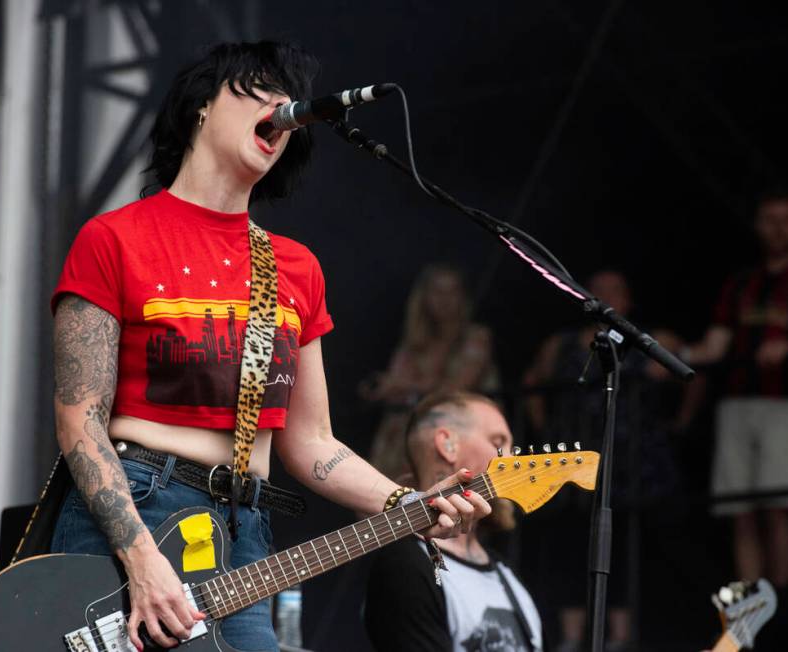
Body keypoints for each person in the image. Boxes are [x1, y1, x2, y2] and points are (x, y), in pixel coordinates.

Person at [48, 41, 491, 652]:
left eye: (289, 100)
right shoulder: (115, 239)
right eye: (258, 90)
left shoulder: (293, 267)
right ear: (201, 107)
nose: (284, 108)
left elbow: (311, 444)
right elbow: (79, 419)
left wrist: (407, 501)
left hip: (244, 536)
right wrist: (142, 560)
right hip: (137, 516)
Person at [522, 270, 692, 652]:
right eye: (596, 291)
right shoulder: (562, 344)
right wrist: (546, 430)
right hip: (573, 455)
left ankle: (618, 636)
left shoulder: (648, 340)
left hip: (628, 461)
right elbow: (533, 383)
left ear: (629, 300)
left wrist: (680, 423)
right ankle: (570, 637)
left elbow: (687, 369)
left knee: (622, 540)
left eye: (614, 291)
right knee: (570, 538)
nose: (604, 296)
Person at [681, 189, 788, 591]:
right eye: (770, 219)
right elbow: (715, 346)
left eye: (787, 219)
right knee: (740, 510)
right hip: (735, 403)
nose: (779, 228)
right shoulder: (741, 284)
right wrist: (668, 352)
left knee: (778, 506)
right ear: (758, 225)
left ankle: (781, 602)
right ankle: (749, 605)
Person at [364, 391, 542, 652]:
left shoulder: (504, 571)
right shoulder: (405, 564)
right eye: (498, 442)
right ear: (447, 444)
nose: (511, 459)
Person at [362, 264, 501, 482]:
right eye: (437, 291)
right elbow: (393, 388)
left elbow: (457, 389)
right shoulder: (414, 343)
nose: (444, 299)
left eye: (451, 291)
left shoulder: (476, 337)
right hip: (402, 435)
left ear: (463, 296)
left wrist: (401, 385)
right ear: (424, 297)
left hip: (452, 434)